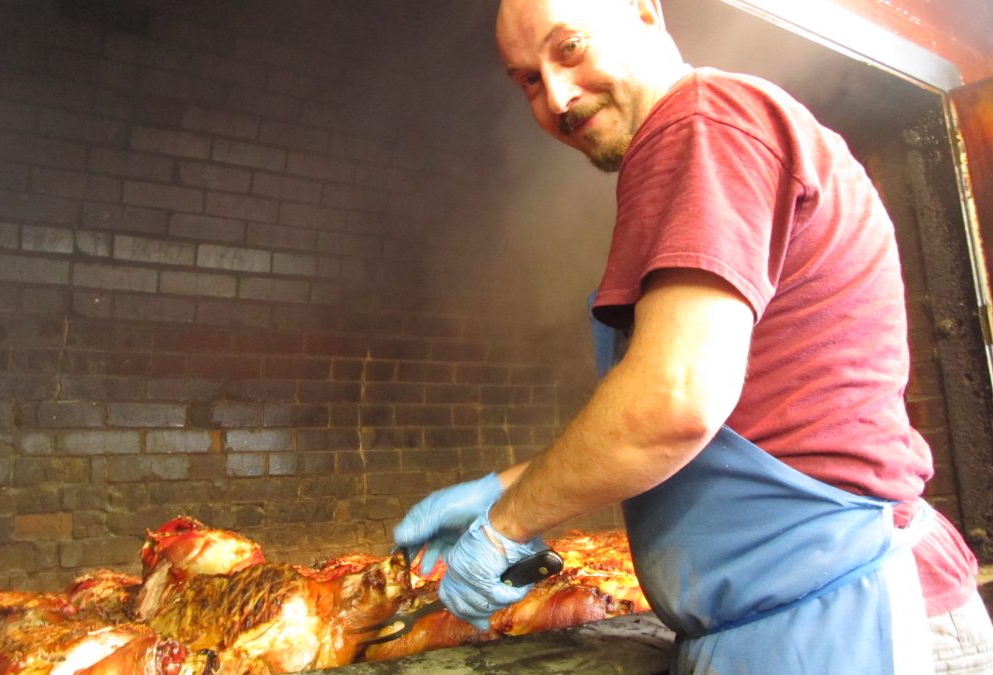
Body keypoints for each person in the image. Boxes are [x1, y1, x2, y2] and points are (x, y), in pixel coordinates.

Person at [393, 0, 993, 672]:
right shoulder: (715, 129)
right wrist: (502, 489)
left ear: (645, 11)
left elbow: (673, 402)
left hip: (844, 620)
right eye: (528, 79)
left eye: (570, 47)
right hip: (805, 615)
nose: (557, 96)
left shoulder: (701, 124)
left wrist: (506, 525)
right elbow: (722, 431)